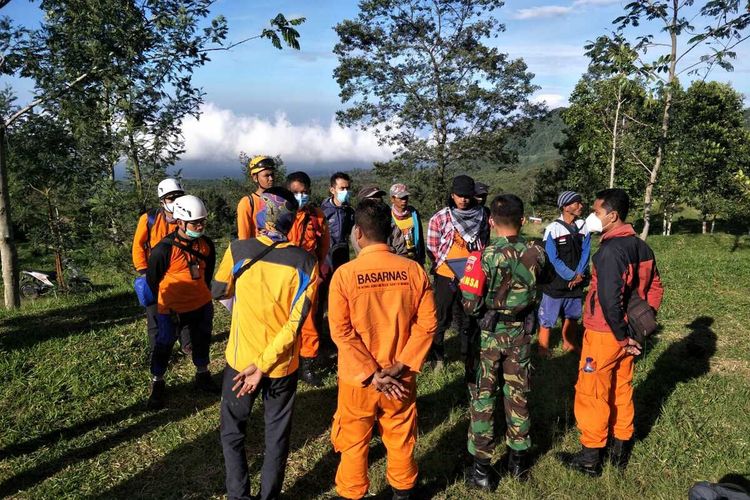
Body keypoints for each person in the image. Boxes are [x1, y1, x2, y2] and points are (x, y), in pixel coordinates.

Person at [212, 187, 318, 500]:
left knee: (232, 431)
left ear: (264, 214)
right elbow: (295, 324)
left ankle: (238, 495)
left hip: (240, 362)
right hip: (282, 366)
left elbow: (218, 289)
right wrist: (265, 363)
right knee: (276, 437)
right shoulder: (306, 262)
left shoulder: (238, 249)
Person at [328, 199, 437, 500]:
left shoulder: (345, 275)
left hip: (358, 379)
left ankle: (351, 493)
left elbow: (341, 331)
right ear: (390, 232)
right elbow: (427, 325)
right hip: (400, 377)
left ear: (358, 233)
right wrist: (401, 365)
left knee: (353, 438)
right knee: (401, 433)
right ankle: (403, 490)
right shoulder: (414, 271)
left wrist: (371, 372)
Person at [560, 188, 663, 475]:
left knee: (593, 391)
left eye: (597, 212)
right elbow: (655, 288)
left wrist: (620, 334)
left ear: (612, 215)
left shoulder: (610, 252)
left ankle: (590, 458)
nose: (593, 217)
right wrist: (641, 325)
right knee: (621, 388)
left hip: (606, 334)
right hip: (628, 333)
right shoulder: (642, 247)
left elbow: (609, 298)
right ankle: (620, 449)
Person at [460, 194, 546, 490]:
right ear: (522, 220)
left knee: (484, 397)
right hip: (520, 335)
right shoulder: (537, 252)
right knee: (517, 395)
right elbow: (541, 289)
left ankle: (481, 471)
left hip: (488, 336)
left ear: (491, 222)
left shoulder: (480, 257)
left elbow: (470, 305)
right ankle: (519, 463)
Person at [146, 195, 218, 410]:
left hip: (201, 304)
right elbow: (153, 281)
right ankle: (157, 382)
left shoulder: (206, 244)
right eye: (195, 223)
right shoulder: (163, 250)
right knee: (164, 344)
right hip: (172, 309)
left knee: (202, 339)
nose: (200, 226)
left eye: (202, 221)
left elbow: (207, 274)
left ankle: (202, 374)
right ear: (179, 222)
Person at [426, 175, 490, 370]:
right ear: (452, 195)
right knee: (441, 316)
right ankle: (437, 357)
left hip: (472, 274)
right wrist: (446, 266)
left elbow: (484, 244)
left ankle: (467, 354)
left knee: (469, 315)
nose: (463, 200)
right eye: (459, 195)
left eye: (467, 196)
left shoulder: (482, 216)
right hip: (446, 274)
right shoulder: (441, 217)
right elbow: (432, 246)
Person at [132, 178, 192, 355]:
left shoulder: (187, 216)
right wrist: (143, 271)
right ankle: (157, 349)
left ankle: (187, 343)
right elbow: (138, 245)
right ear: (162, 201)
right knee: (154, 314)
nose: (174, 201)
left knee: (185, 309)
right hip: (155, 273)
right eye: (170, 198)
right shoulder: (149, 219)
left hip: (181, 272)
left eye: (178, 196)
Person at [286, 171, 331, 387]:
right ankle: (285, 361)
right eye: (295, 192)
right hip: (283, 274)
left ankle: (307, 365)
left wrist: (318, 271)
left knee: (310, 320)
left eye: (304, 192)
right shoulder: (279, 214)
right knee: (284, 318)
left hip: (309, 273)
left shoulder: (317, 216)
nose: (300, 196)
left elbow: (323, 247)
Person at [537, 191, 591, 357]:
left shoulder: (583, 226)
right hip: (556, 282)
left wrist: (580, 273)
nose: (581, 206)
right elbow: (553, 258)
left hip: (577, 280)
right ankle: (543, 347)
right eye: (576, 203)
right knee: (547, 317)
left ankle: (569, 343)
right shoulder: (553, 229)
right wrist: (571, 275)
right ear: (566, 207)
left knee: (573, 314)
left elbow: (586, 251)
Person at [237, 155, 276, 240]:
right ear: (255, 178)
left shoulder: (279, 200)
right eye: (266, 175)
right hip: (257, 251)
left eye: (272, 175)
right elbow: (243, 238)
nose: (271, 178)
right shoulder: (247, 202)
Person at [389, 183, 426, 265]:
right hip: (396, 259)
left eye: (406, 197)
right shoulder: (388, 216)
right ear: (392, 199)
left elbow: (420, 236)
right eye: (401, 198)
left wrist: (422, 257)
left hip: (415, 257)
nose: (404, 200)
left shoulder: (414, 213)